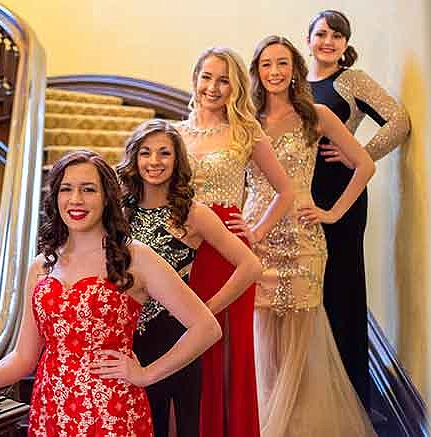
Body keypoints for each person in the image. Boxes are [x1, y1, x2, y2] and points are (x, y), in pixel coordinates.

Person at [0, 150, 221, 436]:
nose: (76, 200)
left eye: (89, 189)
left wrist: (147, 374)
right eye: (66, 189)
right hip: (52, 409)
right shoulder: (41, 266)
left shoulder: (135, 258)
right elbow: (23, 358)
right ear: (56, 197)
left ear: (107, 198)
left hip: (112, 411)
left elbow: (206, 327)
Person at [243, 34, 376, 436]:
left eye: (282, 63)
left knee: (304, 336)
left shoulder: (315, 115)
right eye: (266, 64)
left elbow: (364, 165)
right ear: (256, 71)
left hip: (303, 239)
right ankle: (266, 422)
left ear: (295, 69)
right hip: (258, 237)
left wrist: (332, 212)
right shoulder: (246, 119)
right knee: (262, 335)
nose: (275, 72)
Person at [116, 119, 262, 437]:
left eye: (164, 153)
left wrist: (207, 308)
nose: (154, 162)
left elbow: (250, 266)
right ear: (134, 158)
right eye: (145, 153)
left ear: (177, 159)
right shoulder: (117, 211)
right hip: (124, 337)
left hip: (174, 339)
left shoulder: (192, 214)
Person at [176, 47, 294, 437]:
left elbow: (285, 190)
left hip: (229, 252)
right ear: (194, 77)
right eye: (207, 76)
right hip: (183, 246)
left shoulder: (245, 131)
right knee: (187, 343)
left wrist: (255, 232)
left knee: (229, 349)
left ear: (235, 87)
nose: (213, 87)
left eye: (223, 80)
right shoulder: (175, 134)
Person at [306, 9, 411, 408]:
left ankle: (348, 393)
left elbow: (398, 121)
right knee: (309, 284)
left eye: (337, 36)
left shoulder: (351, 80)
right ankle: (314, 386)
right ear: (309, 39)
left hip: (343, 194)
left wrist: (360, 154)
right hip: (301, 195)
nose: (328, 41)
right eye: (321, 34)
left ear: (346, 45)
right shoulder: (296, 83)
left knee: (341, 284)